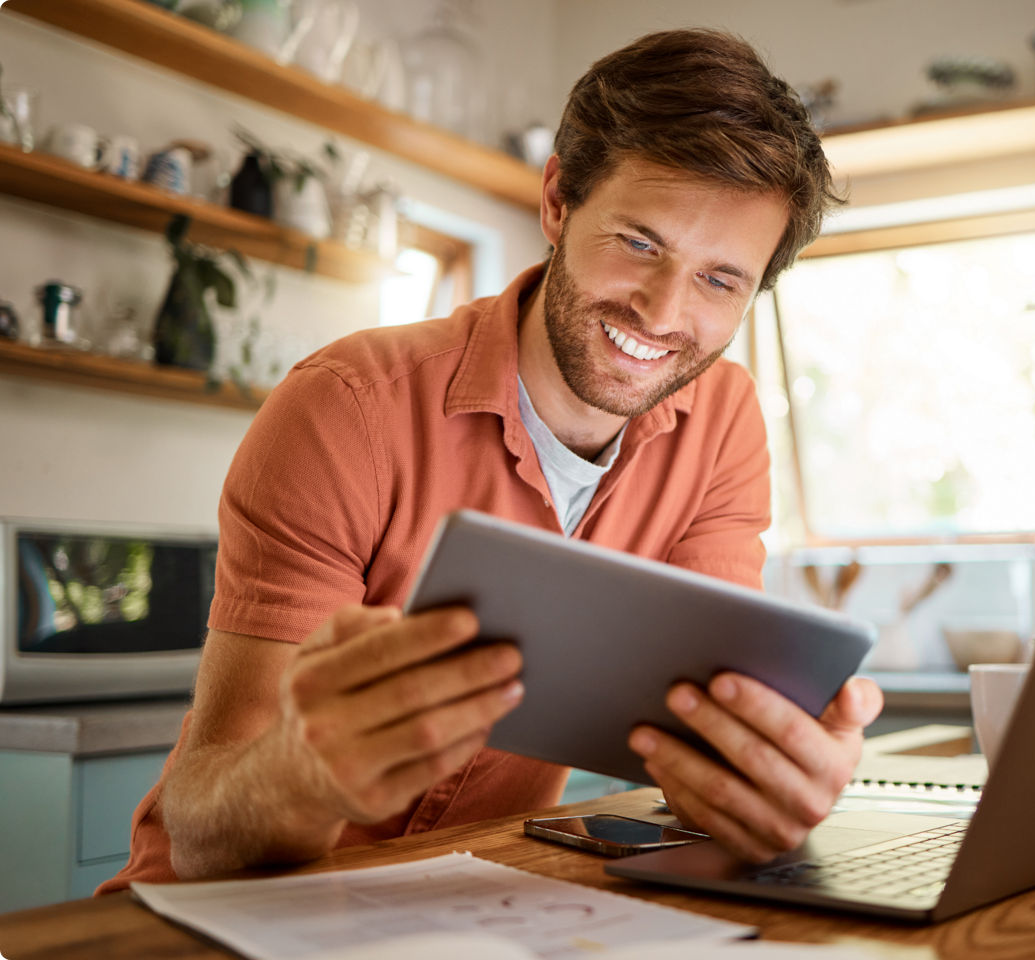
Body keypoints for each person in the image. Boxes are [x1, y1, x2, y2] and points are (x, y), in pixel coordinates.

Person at [98, 27, 884, 893]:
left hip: (459, 909)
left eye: (719, 280)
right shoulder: (346, 408)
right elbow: (202, 833)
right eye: (639, 242)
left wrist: (760, 781)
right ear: (557, 201)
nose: (663, 313)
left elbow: (700, 744)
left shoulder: (722, 421)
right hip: (221, 916)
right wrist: (305, 773)